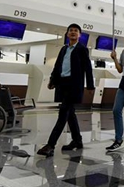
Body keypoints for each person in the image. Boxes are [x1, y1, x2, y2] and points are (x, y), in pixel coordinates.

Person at [37, 24, 95, 157]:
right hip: (62, 85)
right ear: (67, 34)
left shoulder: (82, 49)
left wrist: (90, 86)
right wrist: (52, 80)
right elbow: (58, 66)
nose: (73, 32)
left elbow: (88, 69)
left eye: (76, 31)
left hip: (74, 86)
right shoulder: (63, 49)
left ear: (79, 35)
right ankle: (77, 140)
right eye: (71, 31)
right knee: (70, 114)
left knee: (63, 113)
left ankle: (50, 145)